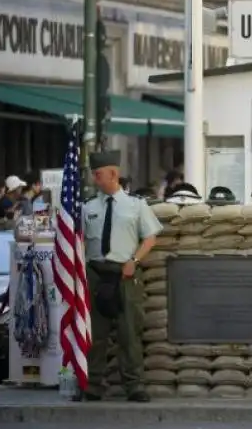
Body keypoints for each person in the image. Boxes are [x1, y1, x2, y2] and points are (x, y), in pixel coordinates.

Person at [80, 150, 162, 402]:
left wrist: (134, 261)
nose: (95, 179)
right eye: (94, 174)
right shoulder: (88, 208)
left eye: (99, 174)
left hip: (124, 275)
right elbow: (78, 241)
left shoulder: (136, 205)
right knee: (95, 334)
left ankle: (134, 385)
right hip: (96, 275)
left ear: (113, 173)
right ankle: (93, 385)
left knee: (129, 333)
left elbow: (150, 237)